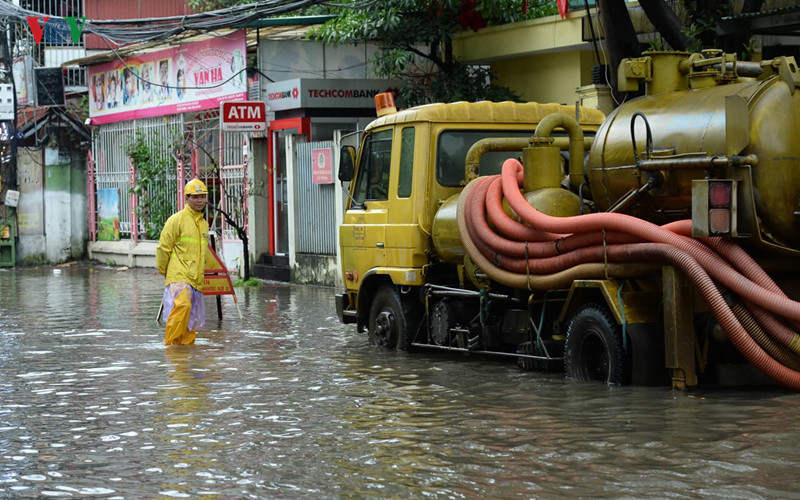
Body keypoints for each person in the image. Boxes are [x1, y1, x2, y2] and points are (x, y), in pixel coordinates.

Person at [156, 179, 210, 346]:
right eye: (196, 197)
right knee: (183, 305)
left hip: (196, 277)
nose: (200, 200)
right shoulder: (176, 220)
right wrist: (164, 271)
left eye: (203, 196)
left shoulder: (204, 224)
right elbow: (163, 248)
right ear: (187, 198)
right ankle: (171, 346)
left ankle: (184, 354)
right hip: (178, 275)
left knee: (191, 316)